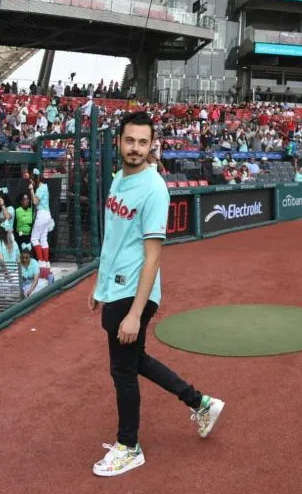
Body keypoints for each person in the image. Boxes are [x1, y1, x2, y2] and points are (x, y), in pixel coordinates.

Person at [88, 111, 224, 478]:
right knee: (136, 360)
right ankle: (200, 403)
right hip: (114, 286)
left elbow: (152, 256)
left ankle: (129, 445)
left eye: (142, 142)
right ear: (118, 141)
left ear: (152, 146)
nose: (135, 148)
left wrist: (134, 312)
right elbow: (115, 238)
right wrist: (99, 286)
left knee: (123, 371)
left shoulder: (153, 188)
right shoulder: (119, 177)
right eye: (129, 140)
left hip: (133, 290)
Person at [28, 168, 54, 278]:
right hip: (47, 214)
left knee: (34, 238)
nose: (31, 183)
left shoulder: (41, 188)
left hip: (42, 214)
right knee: (43, 239)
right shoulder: (44, 187)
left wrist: (31, 190)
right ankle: (46, 263)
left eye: (32, 181)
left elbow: (34, 201)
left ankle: (41, 261)